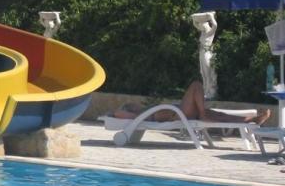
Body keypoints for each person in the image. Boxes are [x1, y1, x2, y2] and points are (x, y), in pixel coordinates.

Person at [112, 80, 270, 125]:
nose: (134, 104)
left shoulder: (146, 110)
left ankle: (253, 120)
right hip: (178, 114)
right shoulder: (141, 115)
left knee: (220, 115)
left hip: (180, 111)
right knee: (196, 85)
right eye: (131, 106)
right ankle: (202, 114)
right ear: (131, 110)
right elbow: (118, 114)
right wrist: (118, 111)